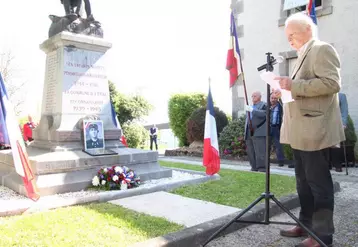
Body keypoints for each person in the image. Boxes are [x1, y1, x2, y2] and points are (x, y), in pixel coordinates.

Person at [273, 12, 345, 247]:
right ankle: (305, 225)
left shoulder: (321, 49)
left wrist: (293, 85)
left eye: (292, 34)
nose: (289, 40)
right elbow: (299, 91)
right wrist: (283, 91)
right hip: (299, 131)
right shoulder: (302, 53)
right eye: (287, 36)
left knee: (319, 185)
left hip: (315, 130)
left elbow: (332, 83)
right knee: (303, 183)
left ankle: (322, 236)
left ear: (308, 30)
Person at [244, 91, 267, 172]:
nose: (253, 97)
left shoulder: (264, 105)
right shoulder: (250, 106)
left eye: (255, 96)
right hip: (249, 131)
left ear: (260, 97)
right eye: (252, 96)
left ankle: (262, 168)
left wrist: (252, 110)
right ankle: (253, 167)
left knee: (260, 150)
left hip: (258, 131)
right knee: (251, 150)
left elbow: (264, 114)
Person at [269, 93, 286, 167]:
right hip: (268, 127)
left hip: (276, 127)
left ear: (277, 99)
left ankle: (281, 161)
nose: (273, 100)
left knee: (278, 145)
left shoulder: (280, 106)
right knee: (267, 144)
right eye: (272, 98)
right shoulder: (267, 106)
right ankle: (266, 160)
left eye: (275, 98)